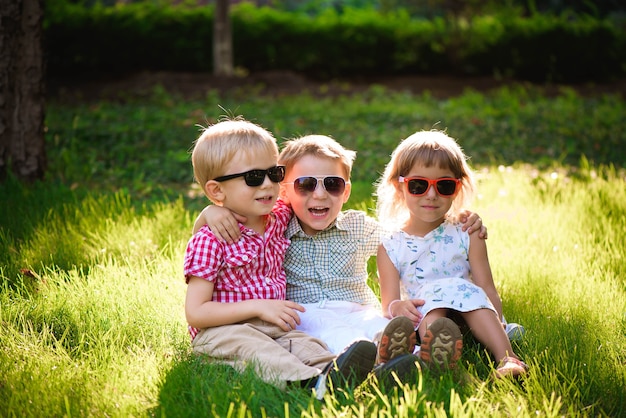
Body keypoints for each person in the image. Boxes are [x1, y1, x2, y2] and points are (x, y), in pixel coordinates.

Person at [194, 134, 486, 386]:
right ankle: (380, 371)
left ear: (345, 191)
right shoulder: (278, 221)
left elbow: (407, 243)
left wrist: (452, 222)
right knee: (334, 335)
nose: (319, 194)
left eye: (332, 184)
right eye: (306, 185)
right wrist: (210, 212)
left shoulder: (357, 226)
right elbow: (226, 222)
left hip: (358, 307)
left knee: (380, 326)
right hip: (308, 313)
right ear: (285, 192)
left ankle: (416, 362)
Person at [184, 118, 378, 399]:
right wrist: (209, 213)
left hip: (275, 327)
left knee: (309, 347)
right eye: (253, 177)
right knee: (255, 349)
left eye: (273, 173)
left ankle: (357, 378)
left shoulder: (277, 217)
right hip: (224, 332)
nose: (267, 185)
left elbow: (311, 201)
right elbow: (197, 313)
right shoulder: (210, 240)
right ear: (216, 191)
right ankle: (311, 386)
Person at [375, 130, 529, 378]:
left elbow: (486, 288)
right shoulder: (390, 245)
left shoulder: (466, 231)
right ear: (399, 186)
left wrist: (498, 321)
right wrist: (399, 307)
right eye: (418, 185)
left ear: (457, 187)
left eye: (444, 185)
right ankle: (443, 362)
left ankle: (509, 360)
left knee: (472, 297)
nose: (432, 195)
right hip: (429, 319)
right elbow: (388, 304)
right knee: (433, 310)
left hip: (472, 315)